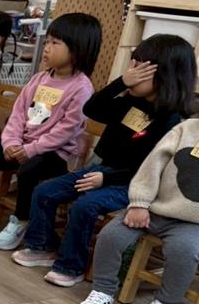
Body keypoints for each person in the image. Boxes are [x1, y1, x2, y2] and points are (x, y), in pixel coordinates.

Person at [13, 34, 195, 286]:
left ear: (164, 74)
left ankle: (71, 266)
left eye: (138, 68)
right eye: (131, 65)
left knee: (84, 206)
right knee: (44, 192)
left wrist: (105, 178)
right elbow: (92, 109)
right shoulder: (130, 100)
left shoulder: (171, 120)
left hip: (133, 185)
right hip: (103, 170)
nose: (131, 73)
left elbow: (149, 170)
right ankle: (43, 246)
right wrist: (121, 83)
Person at [0, 12, 101, 250]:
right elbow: (18, 114)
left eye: (55, 43)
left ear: (78, 48)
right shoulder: (39, 79)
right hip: (21, 145)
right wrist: (11, 142)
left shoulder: (81, 87)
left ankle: (20, 220)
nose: (46, 48)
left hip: (54, 154)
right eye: (47, 42)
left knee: (28, 172)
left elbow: (66, 130)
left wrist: (31, 149)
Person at [78, 119, 199, 304]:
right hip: (152, 209)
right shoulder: (187, 128)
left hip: (192, 223)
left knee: (184, 252)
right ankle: (103, 290)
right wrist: (140, 203)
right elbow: (152, 166)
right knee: (110, 236)